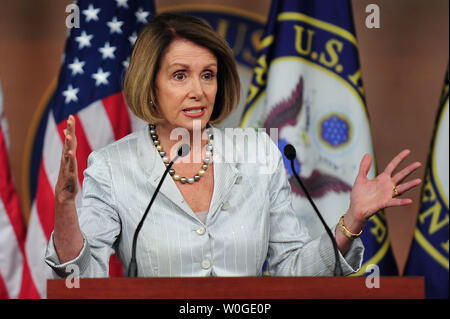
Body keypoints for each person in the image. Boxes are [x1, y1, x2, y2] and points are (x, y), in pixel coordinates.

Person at [45, 13, 422, 278]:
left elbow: (291, 268)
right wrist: (65, 205)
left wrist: (352, 219)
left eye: (208, 75)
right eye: (180, 76)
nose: (198, 91)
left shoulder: (259, 154)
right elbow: (80, 274)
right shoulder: (114, 166)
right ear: (150, 85)